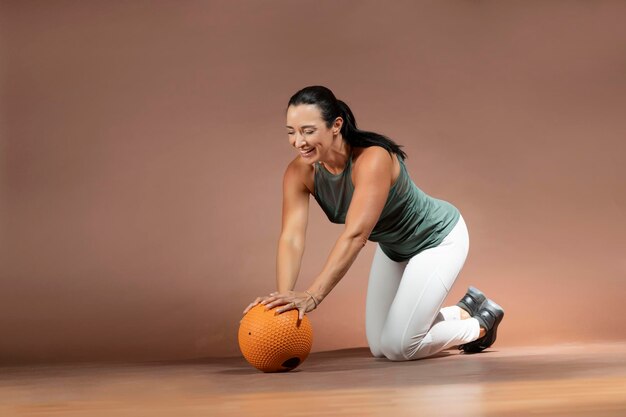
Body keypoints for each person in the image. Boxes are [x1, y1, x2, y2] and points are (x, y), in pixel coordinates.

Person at [243, 85, 504, 361]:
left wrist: (312, 296)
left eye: (308, 131)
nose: (298, 141)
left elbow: (356, 235)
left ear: (336, 126)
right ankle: (467, 307)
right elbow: (292, 238)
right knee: (380, 346)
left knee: (399, 347)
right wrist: (284, 300)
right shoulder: (299, 172)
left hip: (437, 240)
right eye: (291, 132)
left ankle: (481, 324)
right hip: (394, 249)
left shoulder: (372, 159)